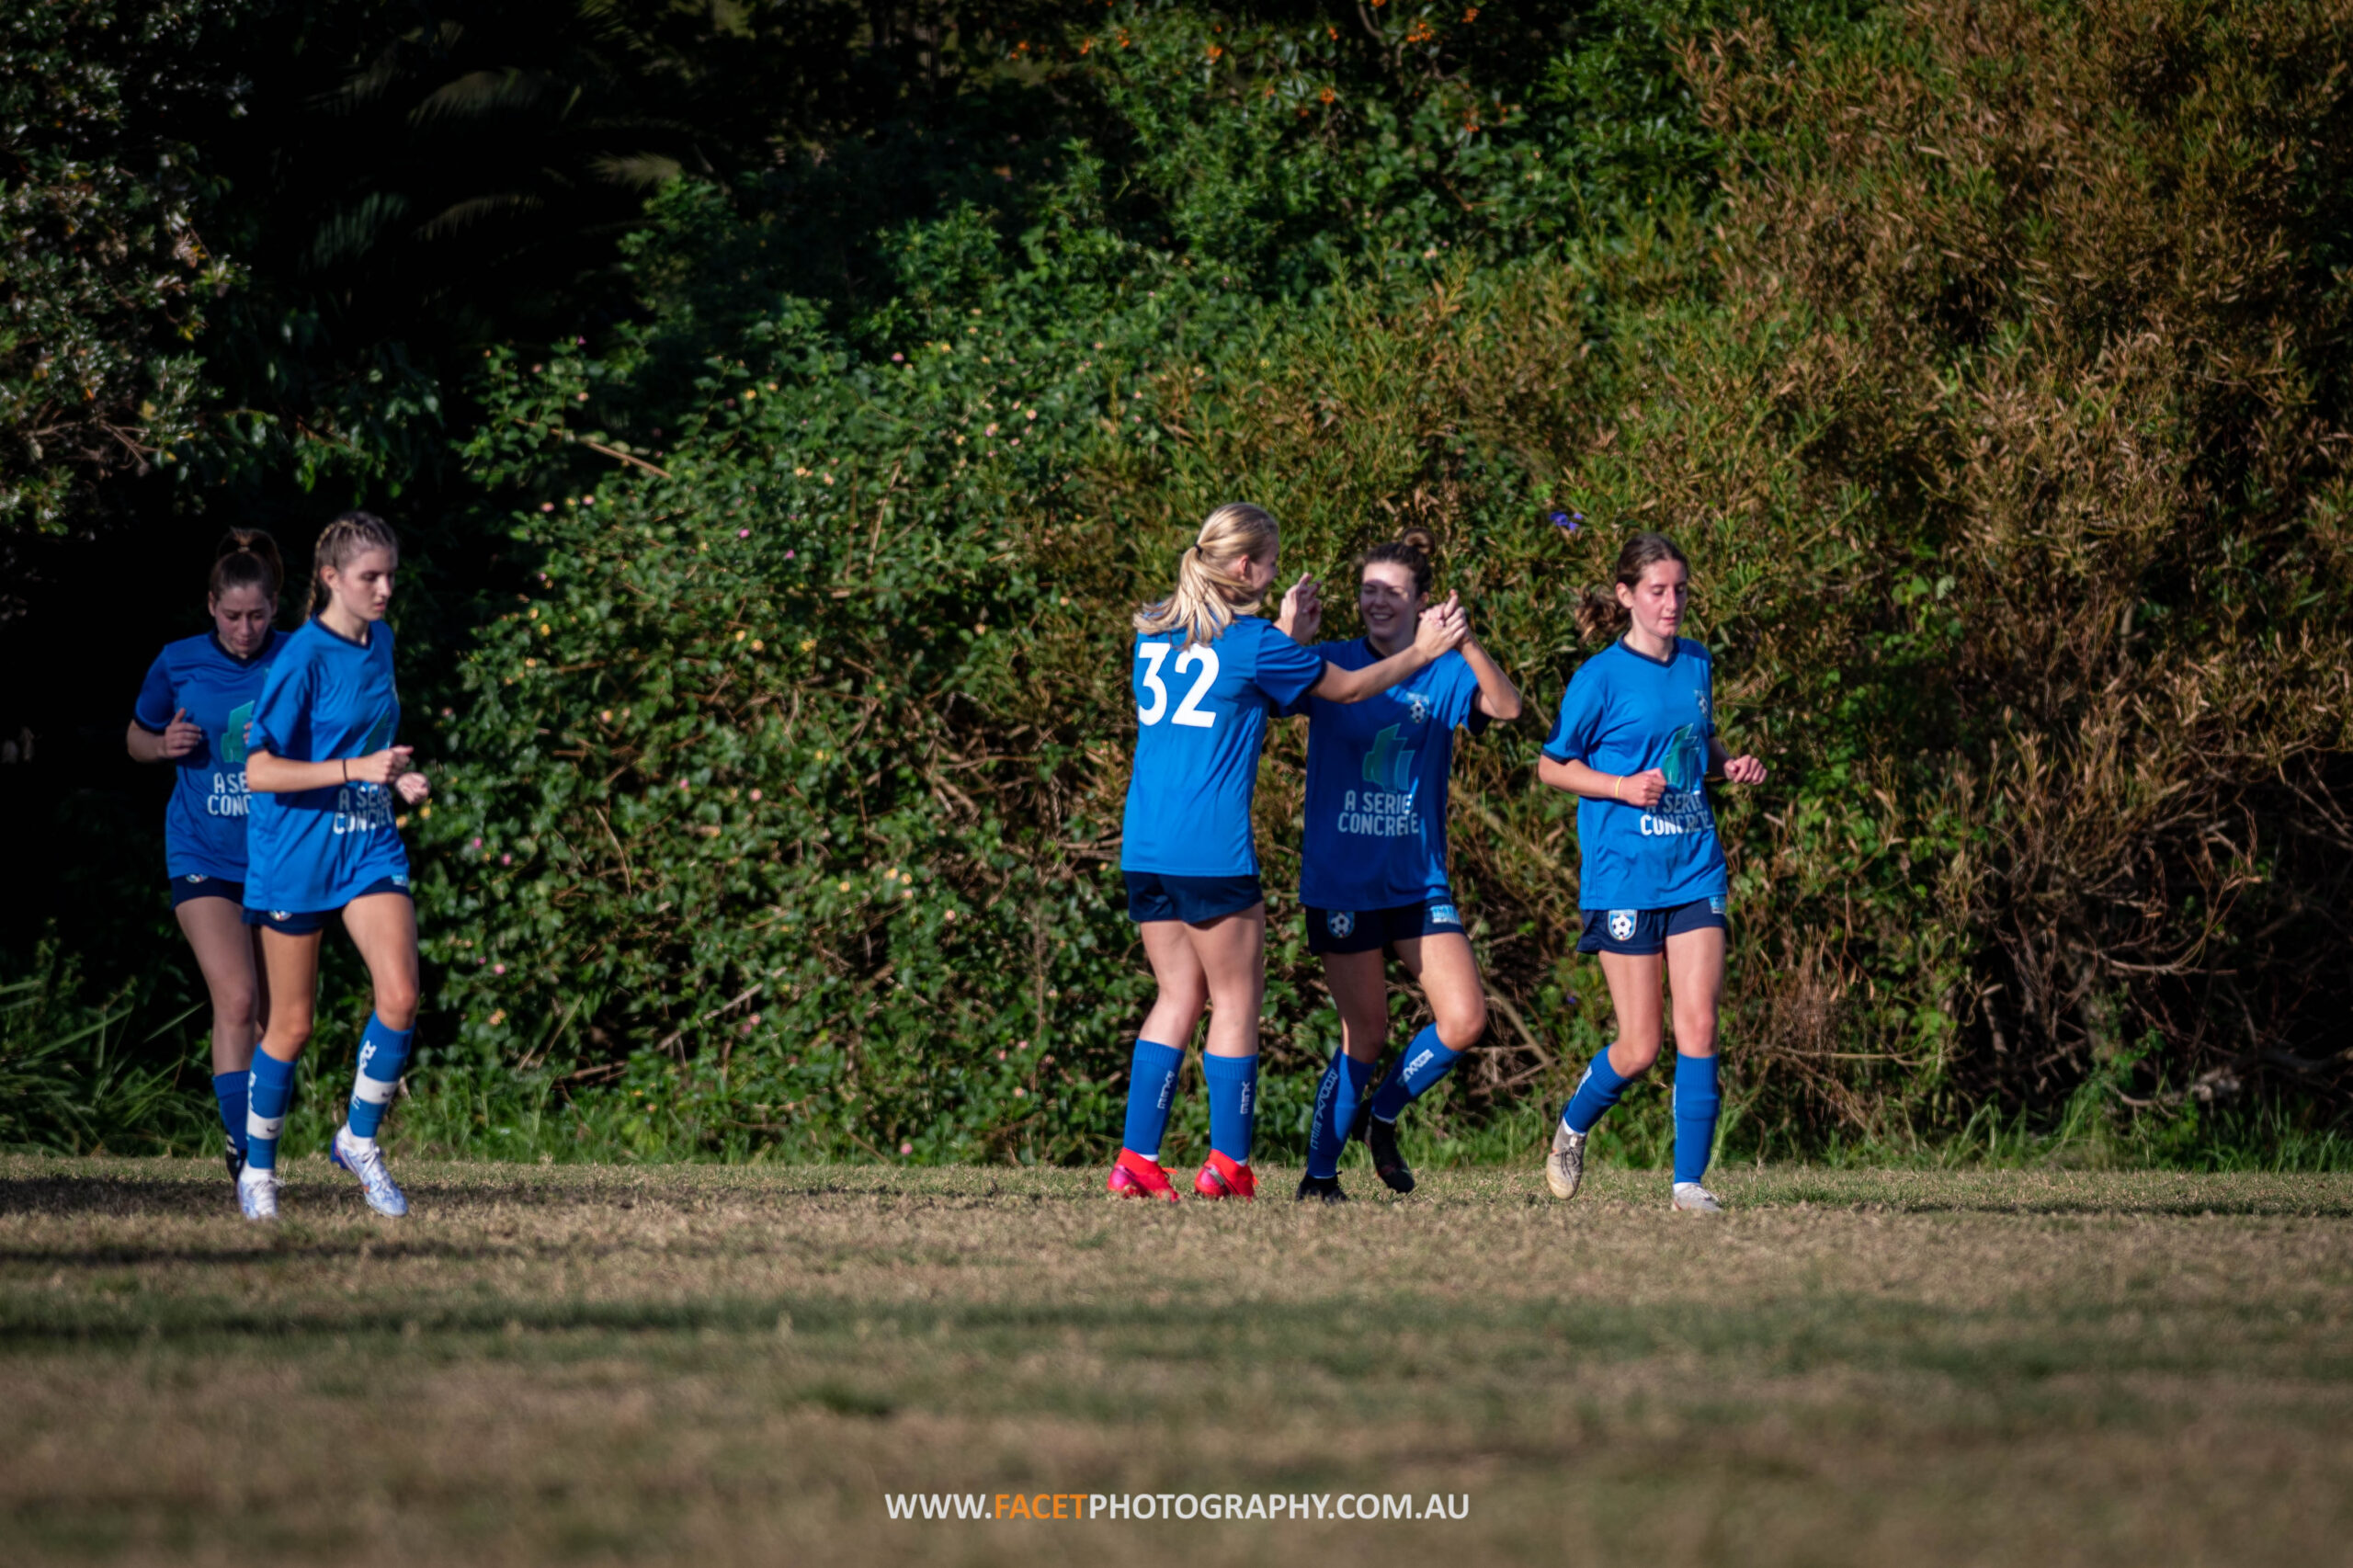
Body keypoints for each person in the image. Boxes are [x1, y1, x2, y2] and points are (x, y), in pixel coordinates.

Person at [1110, 503, 1467, 1202]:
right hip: (1211, 849)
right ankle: (1228, 1165)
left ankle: (1137, 1160)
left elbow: (1232, 693)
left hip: (1144, 845)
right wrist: (1421, 654)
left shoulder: (1154, 626)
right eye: (1270, 564)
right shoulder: (1252, 643)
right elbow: (1349, 687)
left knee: (1176, 994)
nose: (1276, 575)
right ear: (1245, 567)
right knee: (1237, 1000)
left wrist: (1284, 636)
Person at [1281, 528, 1523, 1203]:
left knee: (1466, 1020)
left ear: (1422, 602)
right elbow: (1272, 696)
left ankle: (1382, 1117)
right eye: (1368, 590)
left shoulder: (1444, 672)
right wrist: (1293, 635)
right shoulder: (1331, 661)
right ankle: (1318, 1179)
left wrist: (1466, 642)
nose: (1377, 602)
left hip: (1417, 883)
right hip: (1342, 882)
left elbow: (1507, 708)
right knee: (1367, 1032)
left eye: (1393, 591)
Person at [1534, 531, 1767, 1213]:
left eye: (1681, 591)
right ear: (1626, 596)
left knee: (1701, 1026)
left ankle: (1688, 1185)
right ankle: (1573, 1127)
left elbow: (1699, 739)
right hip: (1624, 876)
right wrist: (1618, 787)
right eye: (1658, 591)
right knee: (1639, 1047)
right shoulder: (1598, 677)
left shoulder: (1697, 662)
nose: (1672, 604)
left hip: (1695, 866)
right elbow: (1553, 766)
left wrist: (1728, 766)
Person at [235, 512, 430, 1221]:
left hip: (368, 843)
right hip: (296, 855)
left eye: (389, 577)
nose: (384, 590)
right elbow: (258, 772)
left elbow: (369, 742)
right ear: (329, 579)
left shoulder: (382, 642)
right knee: (291, 1025)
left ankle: (358, 1139)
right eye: (368, 577)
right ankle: (258, 1173)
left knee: (401, 996)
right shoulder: (301, 659)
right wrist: (354, 767)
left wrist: (393, 780)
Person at [127, 529, 287, 1184]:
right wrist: (162, 746)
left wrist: (285, 739)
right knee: (238, 997)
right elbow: (135, 736)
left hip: (280, 859)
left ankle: (255, 1135)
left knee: (283, 1022)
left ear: (275, 608)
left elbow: (340, 742)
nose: (243, 630)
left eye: (255, 616)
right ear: (210, 608)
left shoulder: (299, 659)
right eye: (230, 616)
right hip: (202, 854)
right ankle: (248, 1156)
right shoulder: (178, 661)